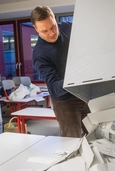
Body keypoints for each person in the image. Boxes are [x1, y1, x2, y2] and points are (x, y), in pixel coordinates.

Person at [30, 5, 90, 138]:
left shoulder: (67, 27)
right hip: (64, 102)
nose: (51, 33)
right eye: (44, 31)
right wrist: (76, 78)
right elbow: (54, 88)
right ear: (36, 29)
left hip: (83, 93)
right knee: (72, 141)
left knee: (95, 133)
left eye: (52, 27)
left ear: (55, 19)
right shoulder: (40, 54)